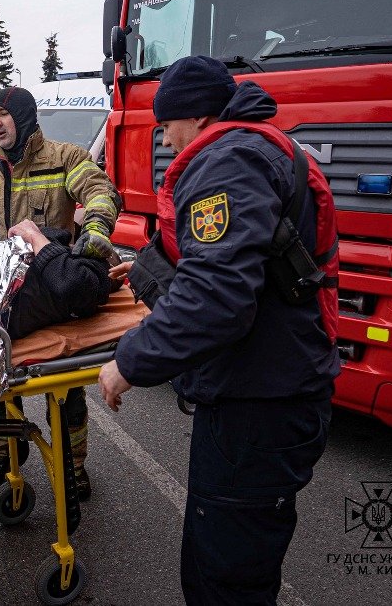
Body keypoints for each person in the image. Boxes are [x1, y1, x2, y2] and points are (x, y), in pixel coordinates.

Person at [98, 56, 340, 605]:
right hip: (271, 389)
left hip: (257, 407)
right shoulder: (253, 149)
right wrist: (146, 269)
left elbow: (217, 297)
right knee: (235, 561)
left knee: (224, 578)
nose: (165, 140)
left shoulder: (228, 162)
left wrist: (129, 362)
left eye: (167, 125)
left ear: (198, 117)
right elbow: (237, 258)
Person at [0, 85, 121, 496]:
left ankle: (73, 465)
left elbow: (101, 191)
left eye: (2, 114)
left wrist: (94, 231)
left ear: (22, 117)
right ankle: (2, 454)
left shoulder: (65, 158)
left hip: (51, 293)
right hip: (0, 299)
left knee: (66, 389)